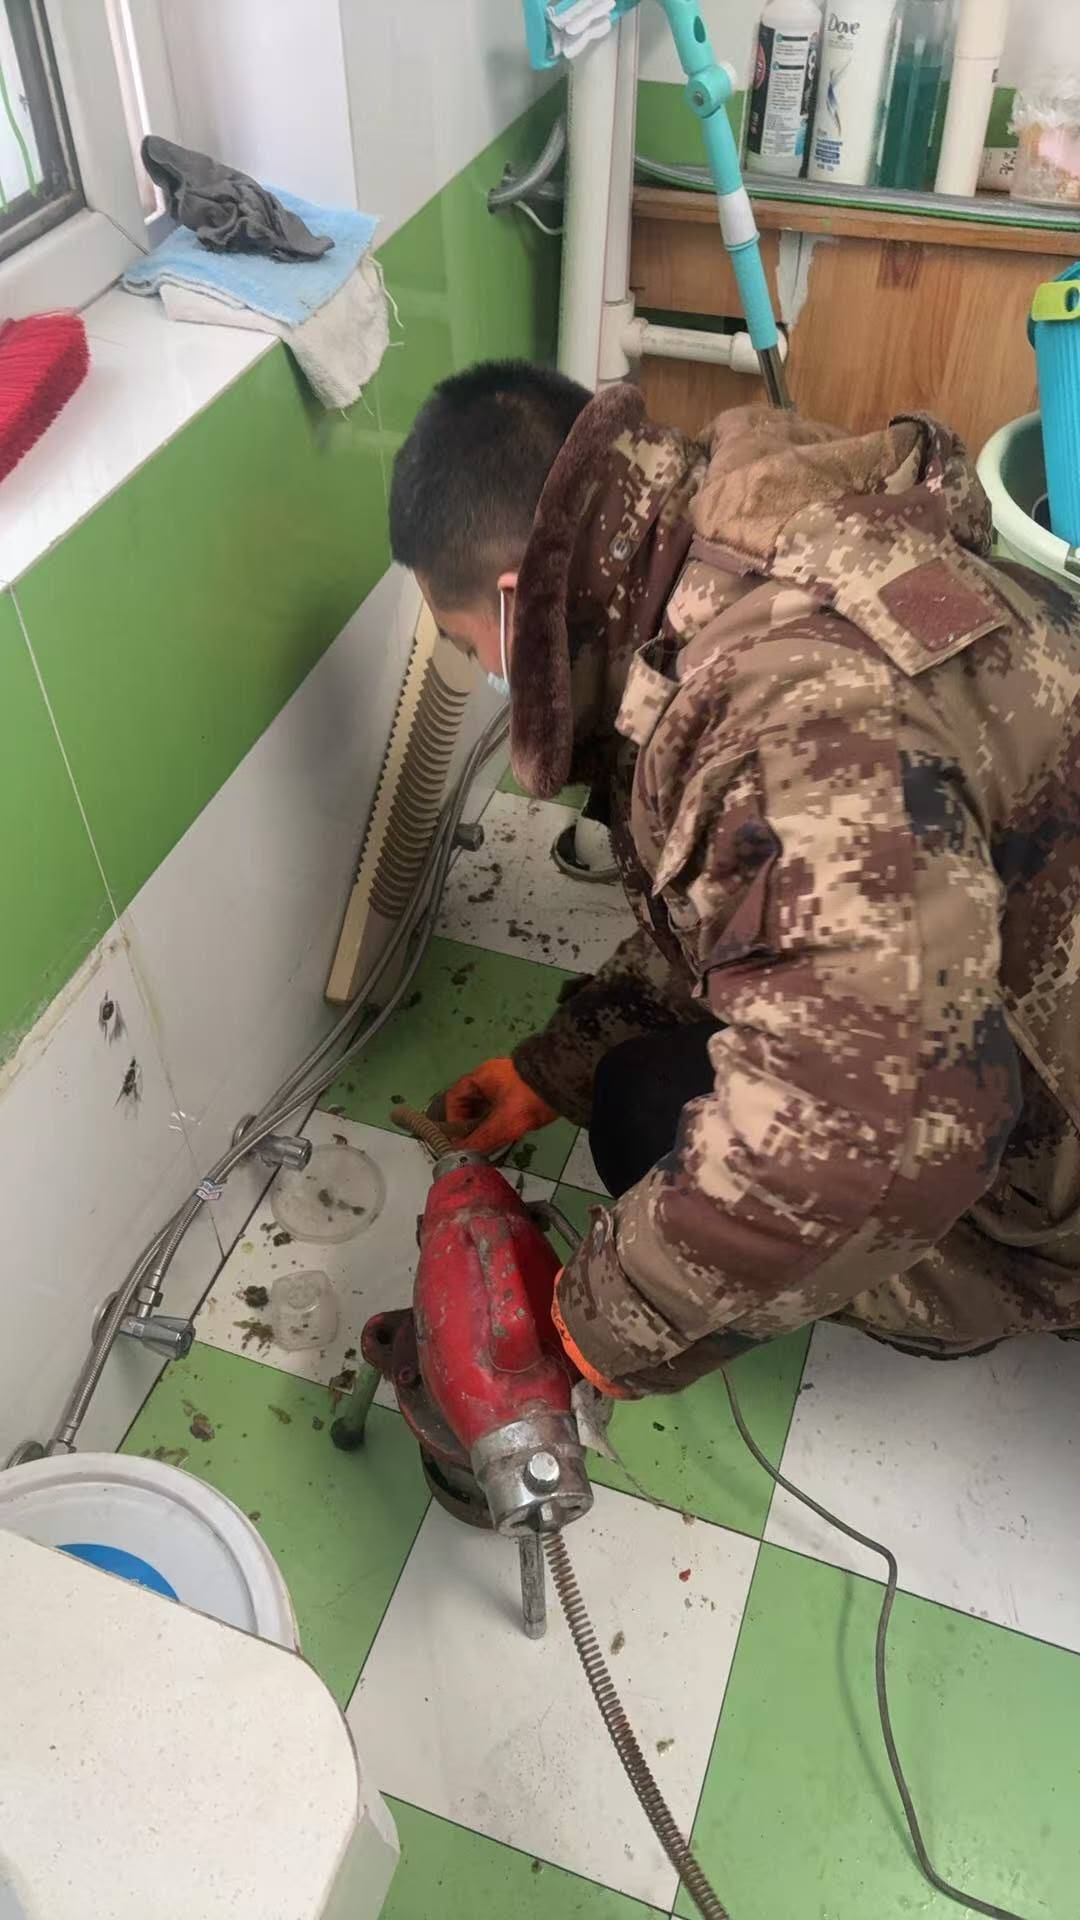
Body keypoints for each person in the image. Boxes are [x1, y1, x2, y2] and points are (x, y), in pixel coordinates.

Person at [388, 360, 1080, 1398]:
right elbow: (771, 908)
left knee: (651, 1123)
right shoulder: (750, 529)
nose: (481, 669)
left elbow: (887, 1137)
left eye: (464, 642)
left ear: (513, 600)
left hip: (1052, 1177)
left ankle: (1033, 1281)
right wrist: (553, 1069)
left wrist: (596, 1331)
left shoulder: (780, 713)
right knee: (628, 1085)